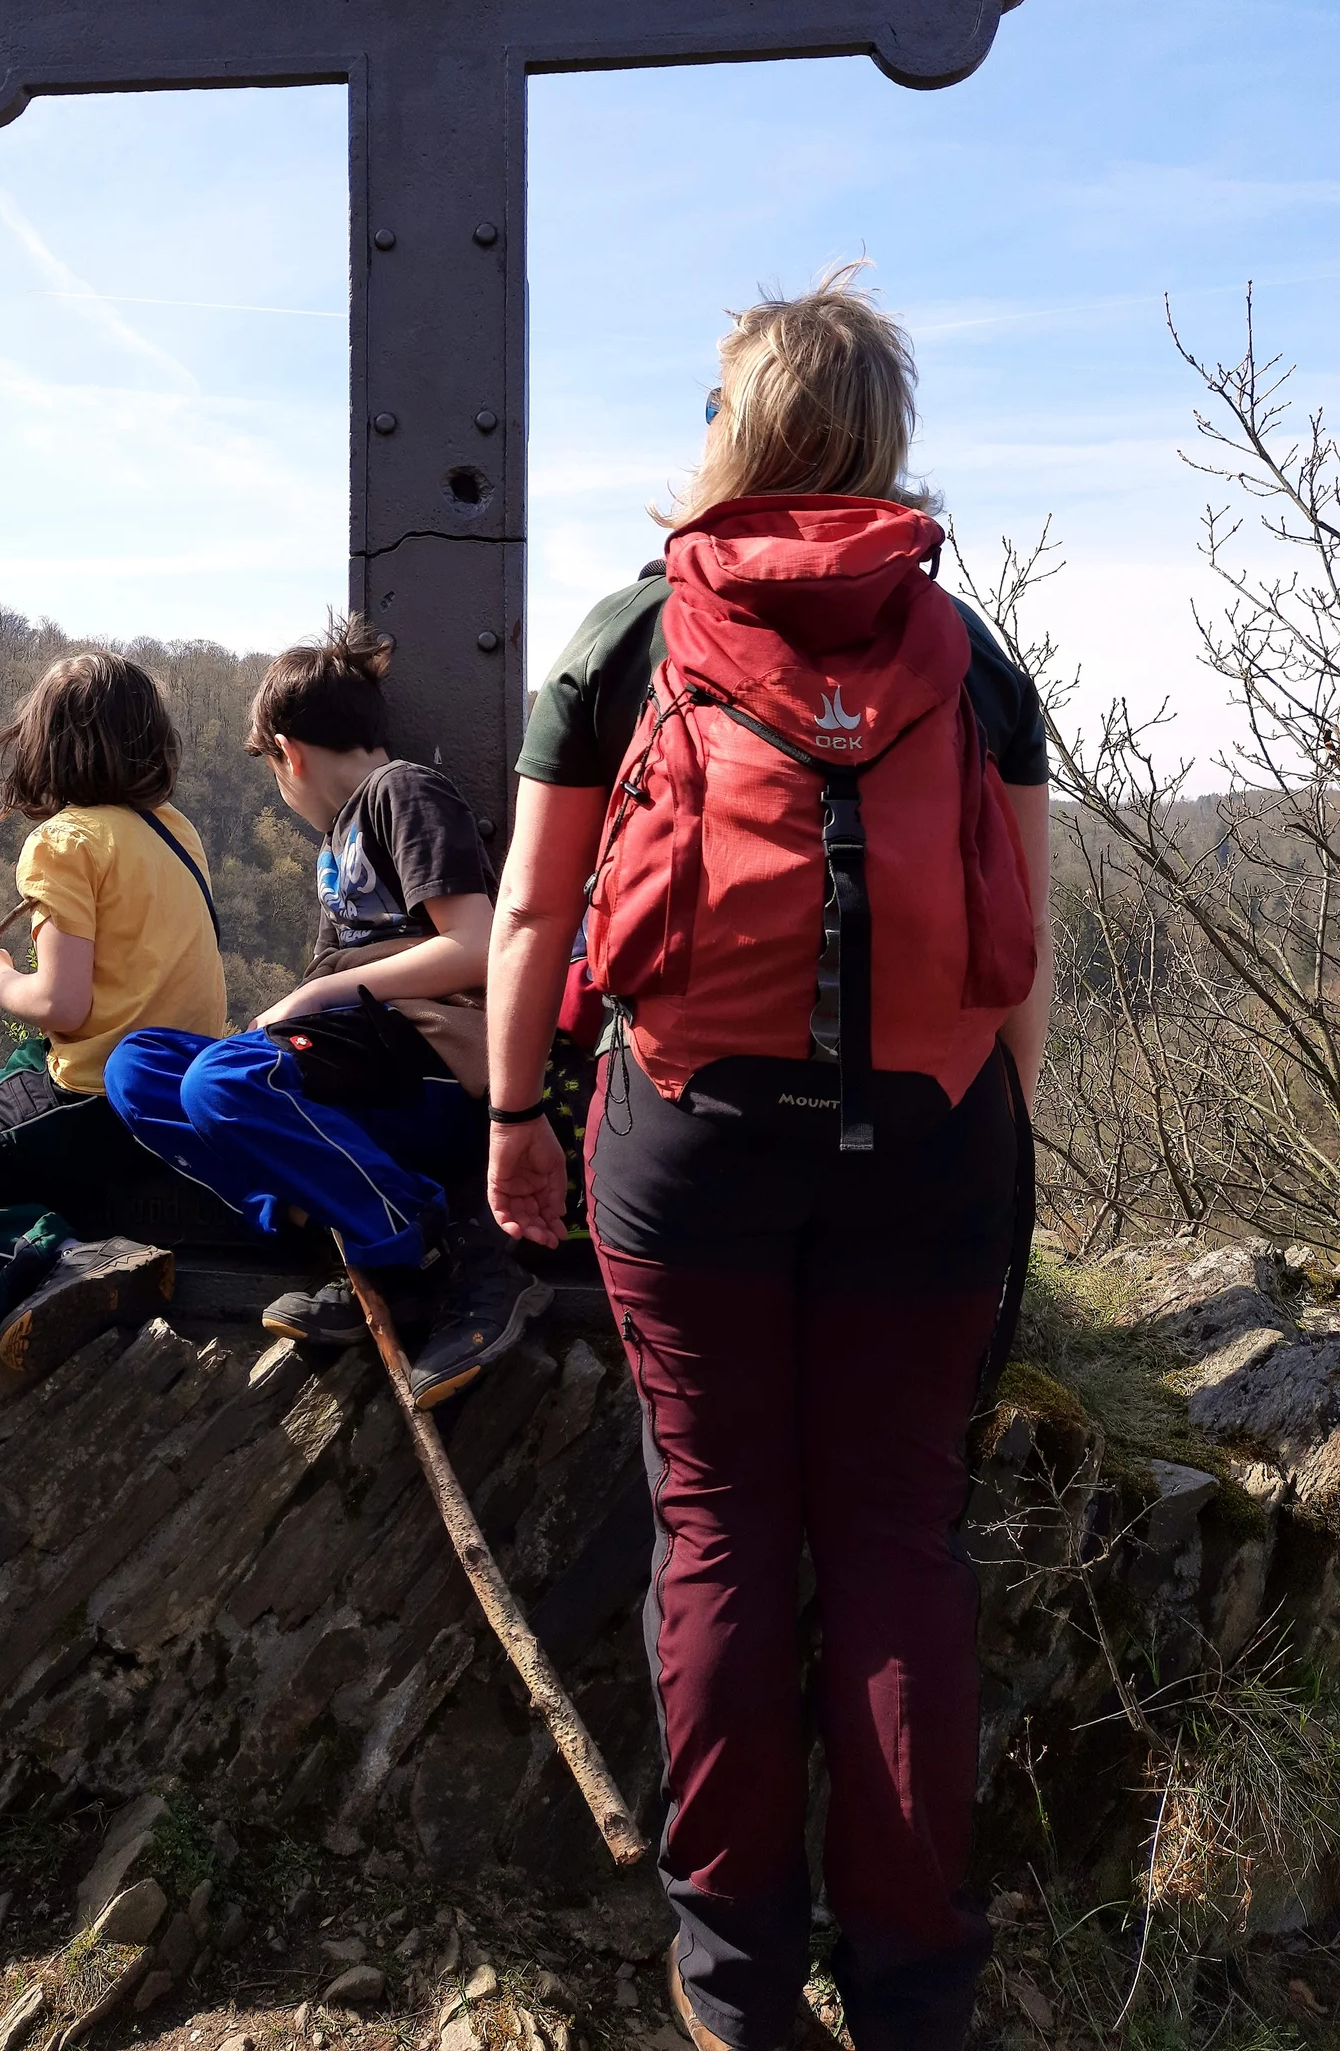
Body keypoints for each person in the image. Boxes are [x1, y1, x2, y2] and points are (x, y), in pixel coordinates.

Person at [484, 269, 1051, 2051]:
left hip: (694, 1141)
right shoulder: (972, 659)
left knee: (721, 1526)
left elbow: (532, 915)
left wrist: (514, 1117)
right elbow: (1013, 950)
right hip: (930, 1146)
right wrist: (995, 1154)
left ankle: (735, 1980)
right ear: (885, 439)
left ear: (731, 432)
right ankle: (915, 1990)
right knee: (898, 1540)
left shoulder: (629, 633)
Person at [105, 619, 552, 1405]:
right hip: (366, 1057)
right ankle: (327, 1218)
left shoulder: (404, 792)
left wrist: (313, 996)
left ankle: (417, 1241)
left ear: (290, 754)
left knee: (219, 1083)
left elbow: (479, 946)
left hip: (432, 1059)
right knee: (139, 1067)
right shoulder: (335, 848)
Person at [0, 648, 230, 1359]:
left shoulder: (62, 844)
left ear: (45, 747)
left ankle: (58, 1259)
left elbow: (62, 1004)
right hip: (167, 1090)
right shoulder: (174, 830)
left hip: (93, 1106)